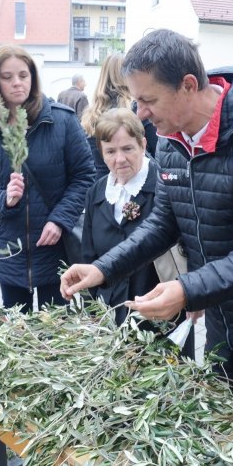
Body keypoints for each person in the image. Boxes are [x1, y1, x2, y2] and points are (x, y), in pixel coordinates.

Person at [60, 29, 233, 387]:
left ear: (189, 85)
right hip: (221, 317)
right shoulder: (170, 142)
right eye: (136, 100)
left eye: (148, 100)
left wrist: (188, 288)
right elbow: (162, 223)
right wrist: (102, 269)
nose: (139, 111)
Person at [0, 45, 94, 313]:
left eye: (23, 75)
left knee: (56, 331)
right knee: (18, 334)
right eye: (8, 77)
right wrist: (4, 198)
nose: (17, 83)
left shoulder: (61, 121)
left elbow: (85, 176)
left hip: (54, 248)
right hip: (9, 250)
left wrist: (60, 219)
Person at [82, 107, 192, 353]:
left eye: (127, 148)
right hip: (113, 316)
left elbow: (190, 248)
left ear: (143, 144)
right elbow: (88, 256)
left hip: (162, 315)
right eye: (110, 151)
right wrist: (93, 312)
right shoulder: (96, 193)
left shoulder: (165, 186)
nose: (119, 159)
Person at [80, 53, 158, 179]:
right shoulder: (136, 110)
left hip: (99, 184)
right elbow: (157, 151)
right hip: (135, 183)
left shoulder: (90, 115)